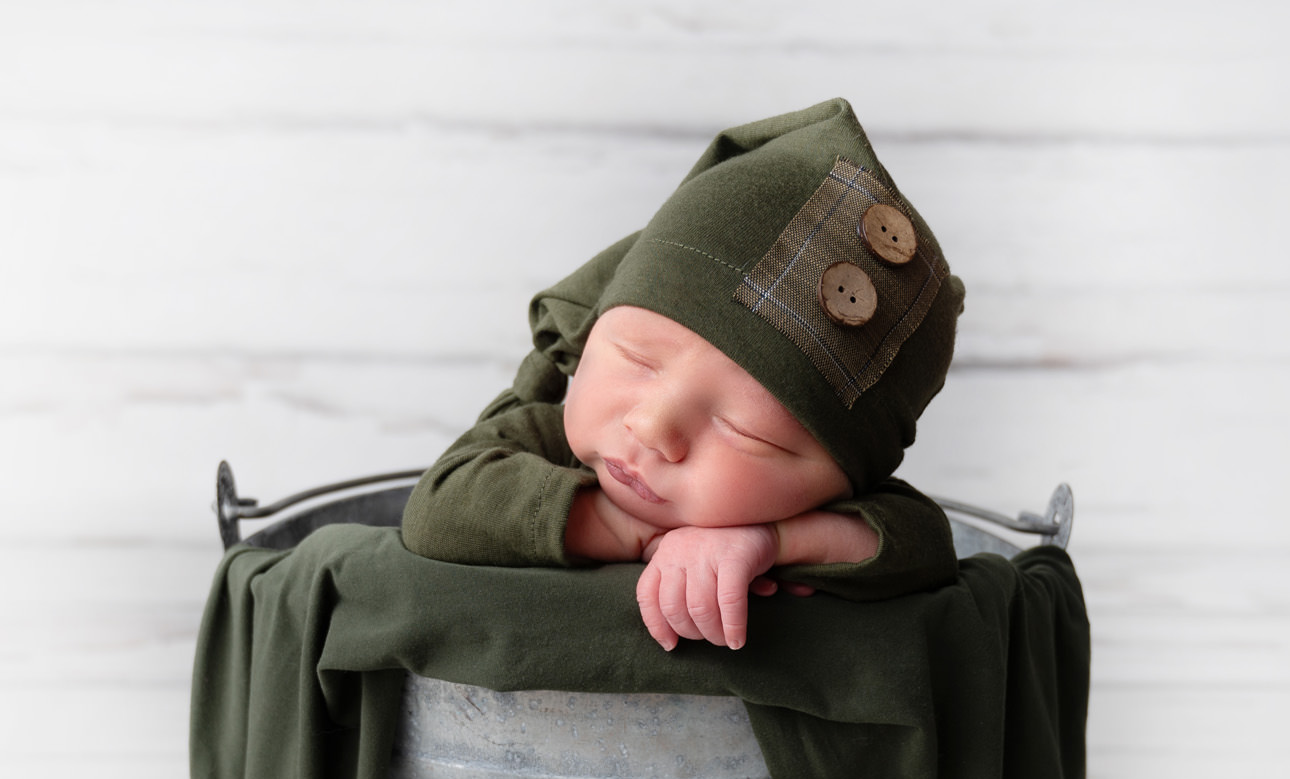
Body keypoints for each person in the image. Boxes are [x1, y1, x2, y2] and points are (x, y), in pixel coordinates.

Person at [401, 98, 965, 651]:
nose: (650, 427)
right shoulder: (543, 442)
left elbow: (926, 544)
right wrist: (639, 534)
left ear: (846, 480)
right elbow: (441, 504)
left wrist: (770, 540)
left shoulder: (813, 512)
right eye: (636, 360)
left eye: (744, 431)